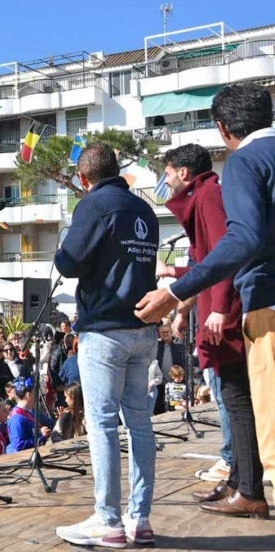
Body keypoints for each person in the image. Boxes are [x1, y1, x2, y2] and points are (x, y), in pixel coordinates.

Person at [135, 83, 275, 504]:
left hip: (266, 301)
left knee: (267, 424)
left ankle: (247, 487)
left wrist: (177, 292)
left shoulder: (244, 163)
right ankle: (244, 486)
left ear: (222, 127)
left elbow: (239, 241)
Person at [54, 143, 160, 548]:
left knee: (101, 423)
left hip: (104, 329)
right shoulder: (144, 209)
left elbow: (70, 264)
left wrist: (63, 249)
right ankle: (141, 518)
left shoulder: (94, 205)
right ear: (118, 169)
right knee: (139, 422)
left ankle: (109, 520)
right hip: (142, 328)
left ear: (84, 178)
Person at [155, 142, 267, 517]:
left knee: (236, 402)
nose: (165, 182)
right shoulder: (204, 197)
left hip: (225, 317)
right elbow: (208, 261)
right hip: (216, 312)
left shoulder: (208, 197)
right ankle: (237, 481)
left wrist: (219, 308)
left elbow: (226, 256)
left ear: (184, 173)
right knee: (231, 403)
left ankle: (250, 490)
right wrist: (175, 273)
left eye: (168, 173)